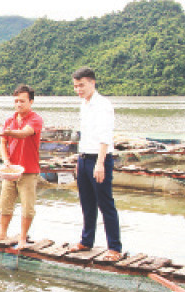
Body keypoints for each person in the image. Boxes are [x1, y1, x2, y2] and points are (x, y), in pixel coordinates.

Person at [70, 67, 122, 261]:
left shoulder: (103, 105)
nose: (78, 90)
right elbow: (85, 136)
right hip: (84, 158)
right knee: (86, 202)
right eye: (75, 86)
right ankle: (86, 241)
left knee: (105, 203)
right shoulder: (84, 104)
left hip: (99, 159)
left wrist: (100, 164)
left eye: (81, 85)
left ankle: (114, 248)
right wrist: (78, 161)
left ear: (92, 82)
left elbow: (105, 136)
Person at [0, 84, 44, 249]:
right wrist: (5, 159)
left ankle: (22, 238)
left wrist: (9, 133)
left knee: (27, 207)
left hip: (28, 171)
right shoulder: (10, 120)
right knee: (5, 203)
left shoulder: (35, 119)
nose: (19, 104)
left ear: (31, 102)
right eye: (16, 101)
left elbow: (24, 133)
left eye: (22, 101)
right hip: (10, 170)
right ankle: (2, 233)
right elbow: (3, 143)